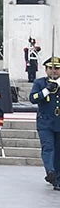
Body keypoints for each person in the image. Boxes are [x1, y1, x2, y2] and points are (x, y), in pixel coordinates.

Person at [33, 56, 60, 189]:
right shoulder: (40, 83)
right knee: (48, 147)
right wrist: (46, 90)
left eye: (57, 68)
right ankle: (50, 171)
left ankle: (57, 180)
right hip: (45, 123)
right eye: (51, 68)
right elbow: (33, 98)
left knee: (59, 151)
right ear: (46, 69)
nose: (54, 71)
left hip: (59, 122)